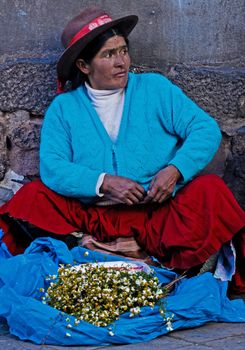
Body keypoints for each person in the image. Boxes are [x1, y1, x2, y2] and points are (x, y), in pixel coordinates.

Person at [0, 6, 244, 294]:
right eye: (108, 54)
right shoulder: (64, 108)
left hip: (156, 215)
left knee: (211, 191)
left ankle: (146, 258)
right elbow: (53, 167)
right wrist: (101, 183)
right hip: (91, 219)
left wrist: (175, 170)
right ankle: (95, 249)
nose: (122, 62)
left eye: (124, 50)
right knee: (31, 198)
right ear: (83, 66)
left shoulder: (155, 89)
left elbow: (204, 129)